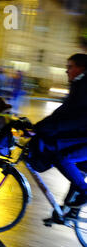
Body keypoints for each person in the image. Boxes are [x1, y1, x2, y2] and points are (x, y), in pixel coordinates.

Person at [28, 53, 87, 221]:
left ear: (81, 68)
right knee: (77, 173)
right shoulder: (79, 85)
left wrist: (49, 128)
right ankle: (69, 214)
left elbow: (78, 118)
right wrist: (39, 126)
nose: (66, 70)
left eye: (70, 67)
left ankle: (85, 193)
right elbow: (63, 112)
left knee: (63, 159)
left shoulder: (84, 87)